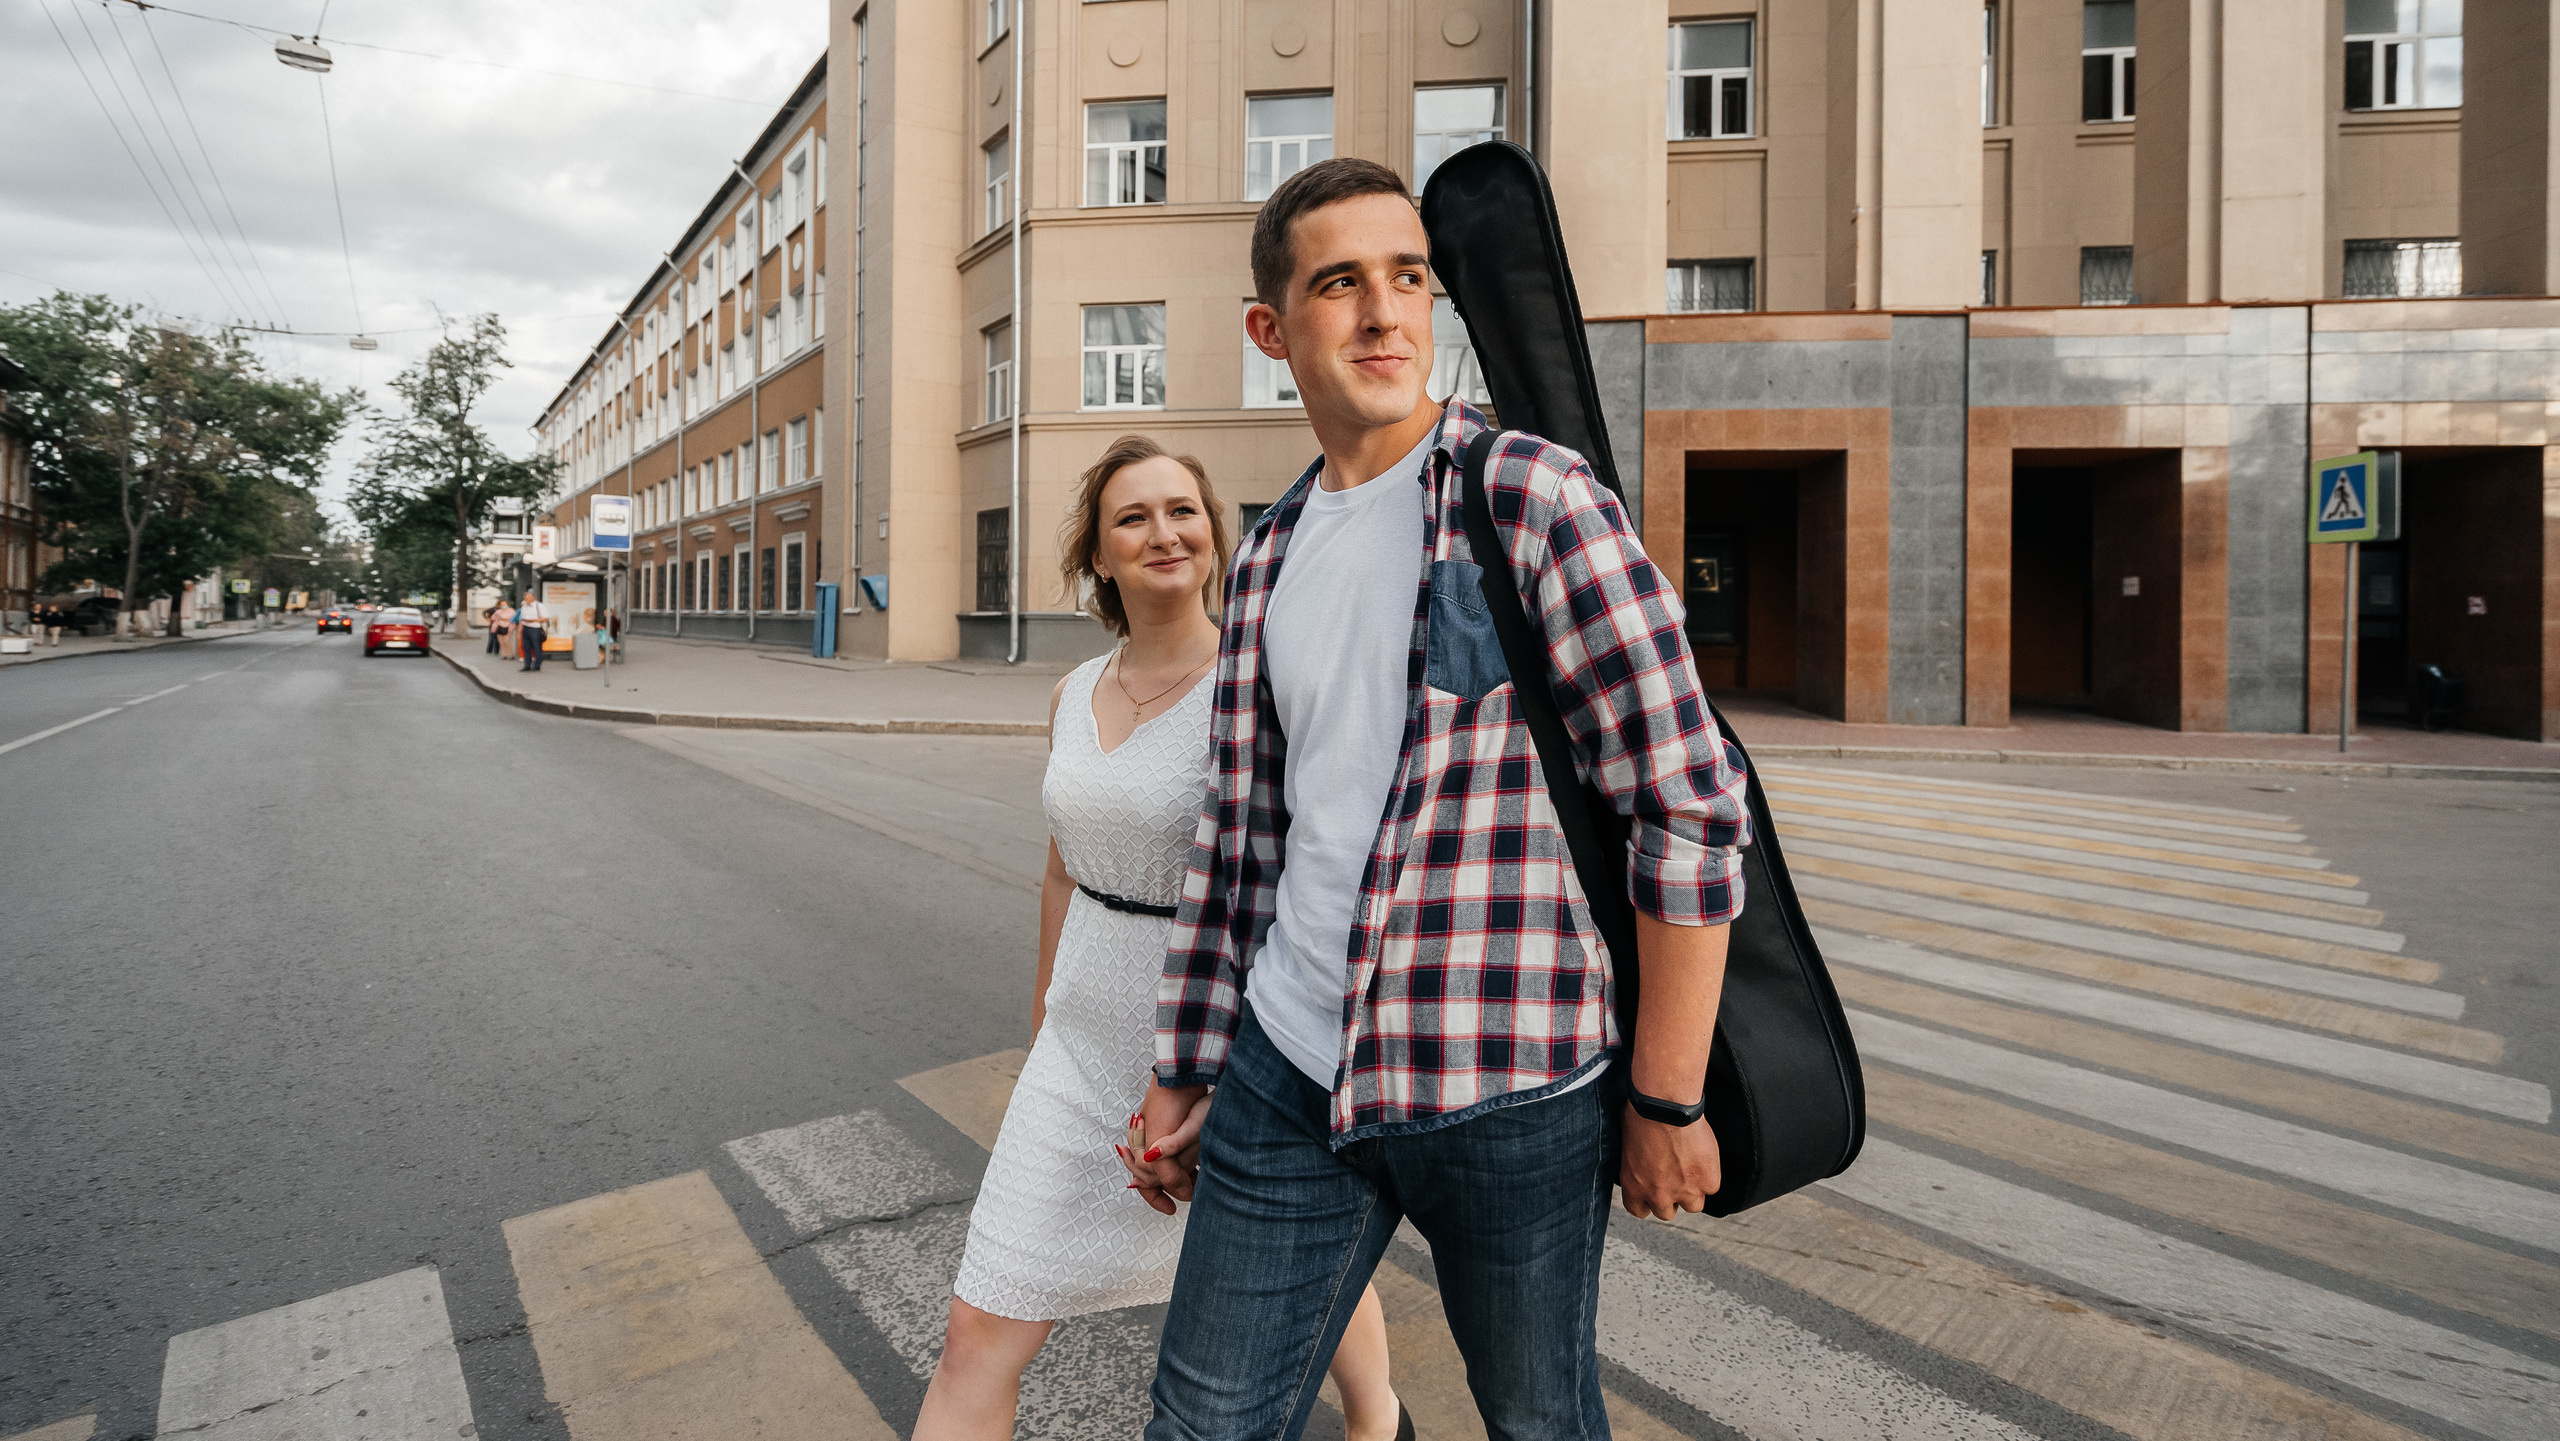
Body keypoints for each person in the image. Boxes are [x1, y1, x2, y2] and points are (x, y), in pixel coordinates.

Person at [1122, 157, 1752, 1440]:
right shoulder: (1273, 553)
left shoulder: (1528, 496)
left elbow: (1685, 802)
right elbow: (1242, 842)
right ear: (1271, 329)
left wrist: (1666, 1096)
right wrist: (1190, 1064)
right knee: (1199, 1422)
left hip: (1511, 1088)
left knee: (1537, 1419)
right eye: (1340, 283)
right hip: (1291, 1075)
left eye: (1408, 277)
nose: (1384, 314)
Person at [917, 436, 1407, 1441]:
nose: (1163, 532)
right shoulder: (1072, 692)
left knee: (1291, 1254)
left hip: (1223, 1043)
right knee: (978, 1323)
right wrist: (1042, 1022)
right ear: (1098, 555)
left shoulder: (1257, 685)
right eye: (1132, 517)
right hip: (1080, 1045)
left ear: (1215, 534)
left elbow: (1296, 882)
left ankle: (1377, 1420)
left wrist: (1247, 1069)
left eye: (1182, 510)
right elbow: (1061, 866)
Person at [515, 587, 549, 671]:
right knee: (526, 647)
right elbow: (522, 618)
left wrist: (532, 620)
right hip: (525, 628)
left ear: (533, 598)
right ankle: (527, 665)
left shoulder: (539, 606)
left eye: (528, 598)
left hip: (535, 629)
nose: (527, 600)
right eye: (525, 598)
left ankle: (537, 665)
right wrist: (520, 630)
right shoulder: (524, 606)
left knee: (536, 647)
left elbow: (546, 618)